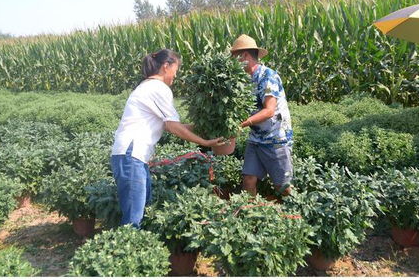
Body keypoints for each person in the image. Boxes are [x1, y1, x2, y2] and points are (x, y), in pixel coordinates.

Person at [110, 49, 224, 228]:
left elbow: (169, 125)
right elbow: (173, 126)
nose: (175, 76)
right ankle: (128, 251)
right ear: (165, 66)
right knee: (134, 218)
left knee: (142, 208)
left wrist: (204, 127)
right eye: (175, 71)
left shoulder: (147, 87)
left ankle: (137, 250)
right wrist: (205, 142)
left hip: (133, 156)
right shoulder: (158, 88)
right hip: (131, 154)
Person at [230, 34, 294, 197]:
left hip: (275, 138)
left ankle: (293, 213)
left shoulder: (268, 77)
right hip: (256, 138)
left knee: (282, 186)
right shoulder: (244, 79)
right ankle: (251, 214)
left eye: (234, 56)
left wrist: (242, 124)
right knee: (248, 179)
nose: (232, 60)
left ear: (244, 56)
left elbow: (269, 110)